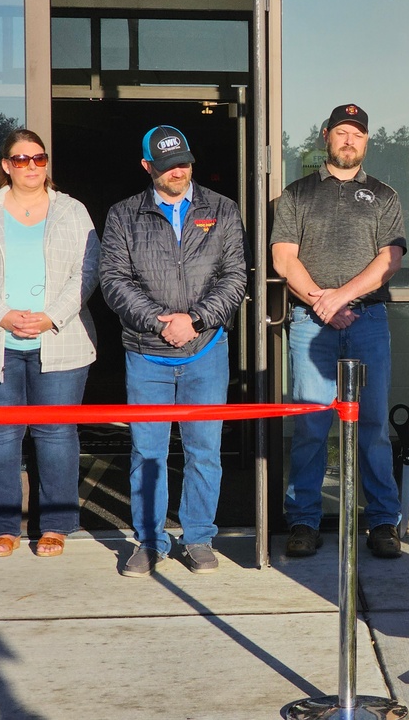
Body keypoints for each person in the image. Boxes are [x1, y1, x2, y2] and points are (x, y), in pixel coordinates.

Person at [99, 125, 247, 577]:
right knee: (148, 452)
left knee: (205, 451)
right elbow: (114, 281)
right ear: (148, 167)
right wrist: (160, 321)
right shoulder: (123, 215)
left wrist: (196, 319)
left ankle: (199, 537)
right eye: (167, 166)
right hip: (147, 354)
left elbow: (235, 276)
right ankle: (149, 541)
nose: (178, 171)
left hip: (206, 352)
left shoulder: (221, 209)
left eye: (183, 162)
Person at [271, 103, 407, 559]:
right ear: (326, 135)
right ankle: (304, 521)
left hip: (367, 321)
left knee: (372, 425)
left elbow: (390, 262)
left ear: (367, 142)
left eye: (359, 135)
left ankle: (384, 521)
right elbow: (283, 259)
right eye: (342, 132)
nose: (350, 141)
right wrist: (321, 304)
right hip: (312, 325)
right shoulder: (296, 194)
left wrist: (340, 298)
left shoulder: (385, 196)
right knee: (311, 424)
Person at [0, 129, 99, 558]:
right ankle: (3, 526)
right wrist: (1, 313)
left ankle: (55, 525)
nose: (32, 166)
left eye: (39, 158)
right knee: (1, 437)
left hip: (61, 339)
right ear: (6, 166)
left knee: (56, 435)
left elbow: (88, 270)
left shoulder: (72, 211)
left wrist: (52, 316)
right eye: (21, 160)